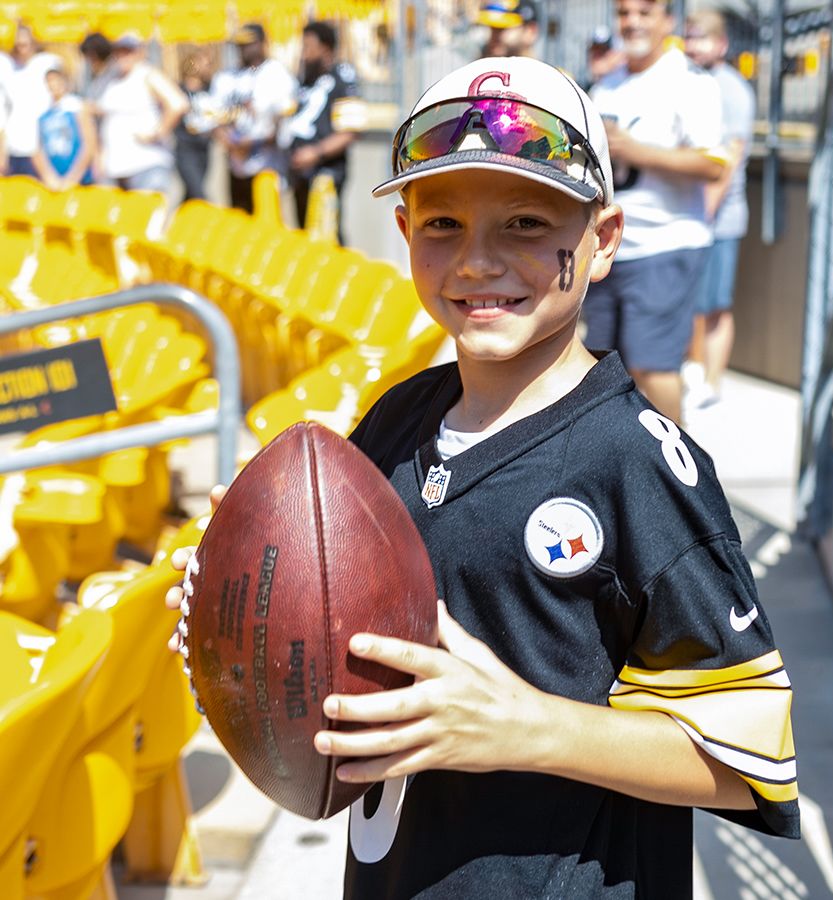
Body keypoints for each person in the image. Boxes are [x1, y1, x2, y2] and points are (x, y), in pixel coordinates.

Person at [167, 55, 799, 898]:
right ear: (405, 236)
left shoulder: (639, 461)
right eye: (443, 225)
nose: (477, 262)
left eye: (527, 224)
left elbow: (747, 757)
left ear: (602, 240)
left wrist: (524, 728)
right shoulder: (396, 419)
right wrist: (243, 623)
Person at [583, 0, 725, 423]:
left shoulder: (689, 81)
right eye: (624, 13)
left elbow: (713, 164)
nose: (632, 22)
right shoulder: (607, 84)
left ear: (668, 19)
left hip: (666, 244)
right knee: (601, 368)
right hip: (609, 248)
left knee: (652, 366)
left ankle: (673, 476)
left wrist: (635, 151)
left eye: (644, 12)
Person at [684, 9, 756, 408]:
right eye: (690, 37)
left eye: (703, 38)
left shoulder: (732, 90)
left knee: (715, 306)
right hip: (693, 217)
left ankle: (711, 383)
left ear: (722, 44)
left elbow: (728, 161)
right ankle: (695, 373)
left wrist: (703, 215)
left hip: (718, 220)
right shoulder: (690, 82)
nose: (694, 45)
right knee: (695, 303)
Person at [282, 21, 360, 240]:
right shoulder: (306, 79)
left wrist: (315, 153)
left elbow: (351, 131)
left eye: (308, 47)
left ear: (325, 48)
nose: (304, 54)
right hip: (300, 177)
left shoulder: (343, 78)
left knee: (328, 238)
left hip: (326, 175)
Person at [209, 22, 296, 213]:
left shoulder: (277, 74)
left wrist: (251, 142)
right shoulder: (226, 77)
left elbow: (283, 122)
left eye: (249, 43)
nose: (244, 49)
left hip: (267, 166)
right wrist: (229, 142)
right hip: (235, 165)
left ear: (263, 43)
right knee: (239, 223)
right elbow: (213, 117)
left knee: (267, 224)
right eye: (240, 44)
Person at [93, 34, 188, 192]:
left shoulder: (147, 75)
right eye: (119, 51)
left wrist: (158, 133)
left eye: (128, 51)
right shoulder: (111, 79)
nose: (123, 56)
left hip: (146, 165)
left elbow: (178, 104)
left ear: (140, 52)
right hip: (114, 168)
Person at [0, 23, 61, 177]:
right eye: (18, 44)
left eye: (25, 44)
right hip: (14, 148)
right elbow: (4, 113)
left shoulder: (48, 61)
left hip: (44, 146)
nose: (21, 48)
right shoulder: (7, 67)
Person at [32, 63, 97, 189]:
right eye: (50, 81)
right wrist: (48, 177)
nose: (54, 84)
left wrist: (73, 177)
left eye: (57, 80)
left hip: (80, 180)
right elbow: (38, 149)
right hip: (54, 180)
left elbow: (89, 144)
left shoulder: (76, 106)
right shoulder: (44, 112)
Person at [174, 48, 216, 202]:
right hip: (186, 150)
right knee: (199, 195)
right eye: (204, 63)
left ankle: (178, 222)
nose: (208, 67)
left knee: (190, 194)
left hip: (204, 150)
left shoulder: (210, 89)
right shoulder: (179, 90)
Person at [582, 26, 627, 91]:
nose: (597, 57)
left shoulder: (624, 85)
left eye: (602, 51)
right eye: (594, 50)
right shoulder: (591, 87)